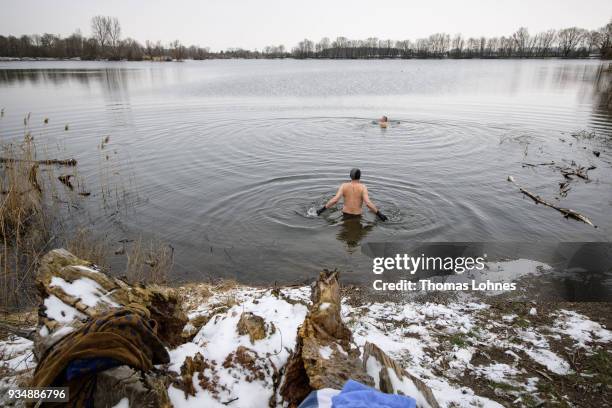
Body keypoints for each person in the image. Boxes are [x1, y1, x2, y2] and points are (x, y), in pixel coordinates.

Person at [316, 168, 388, 221]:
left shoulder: (343, 185)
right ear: (360, 176)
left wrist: (321, 210)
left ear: (350, 176)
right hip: (357, 215)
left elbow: (335, 200)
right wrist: (379, 214)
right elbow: (368, 203)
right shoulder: (363, 187)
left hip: (345, 214)